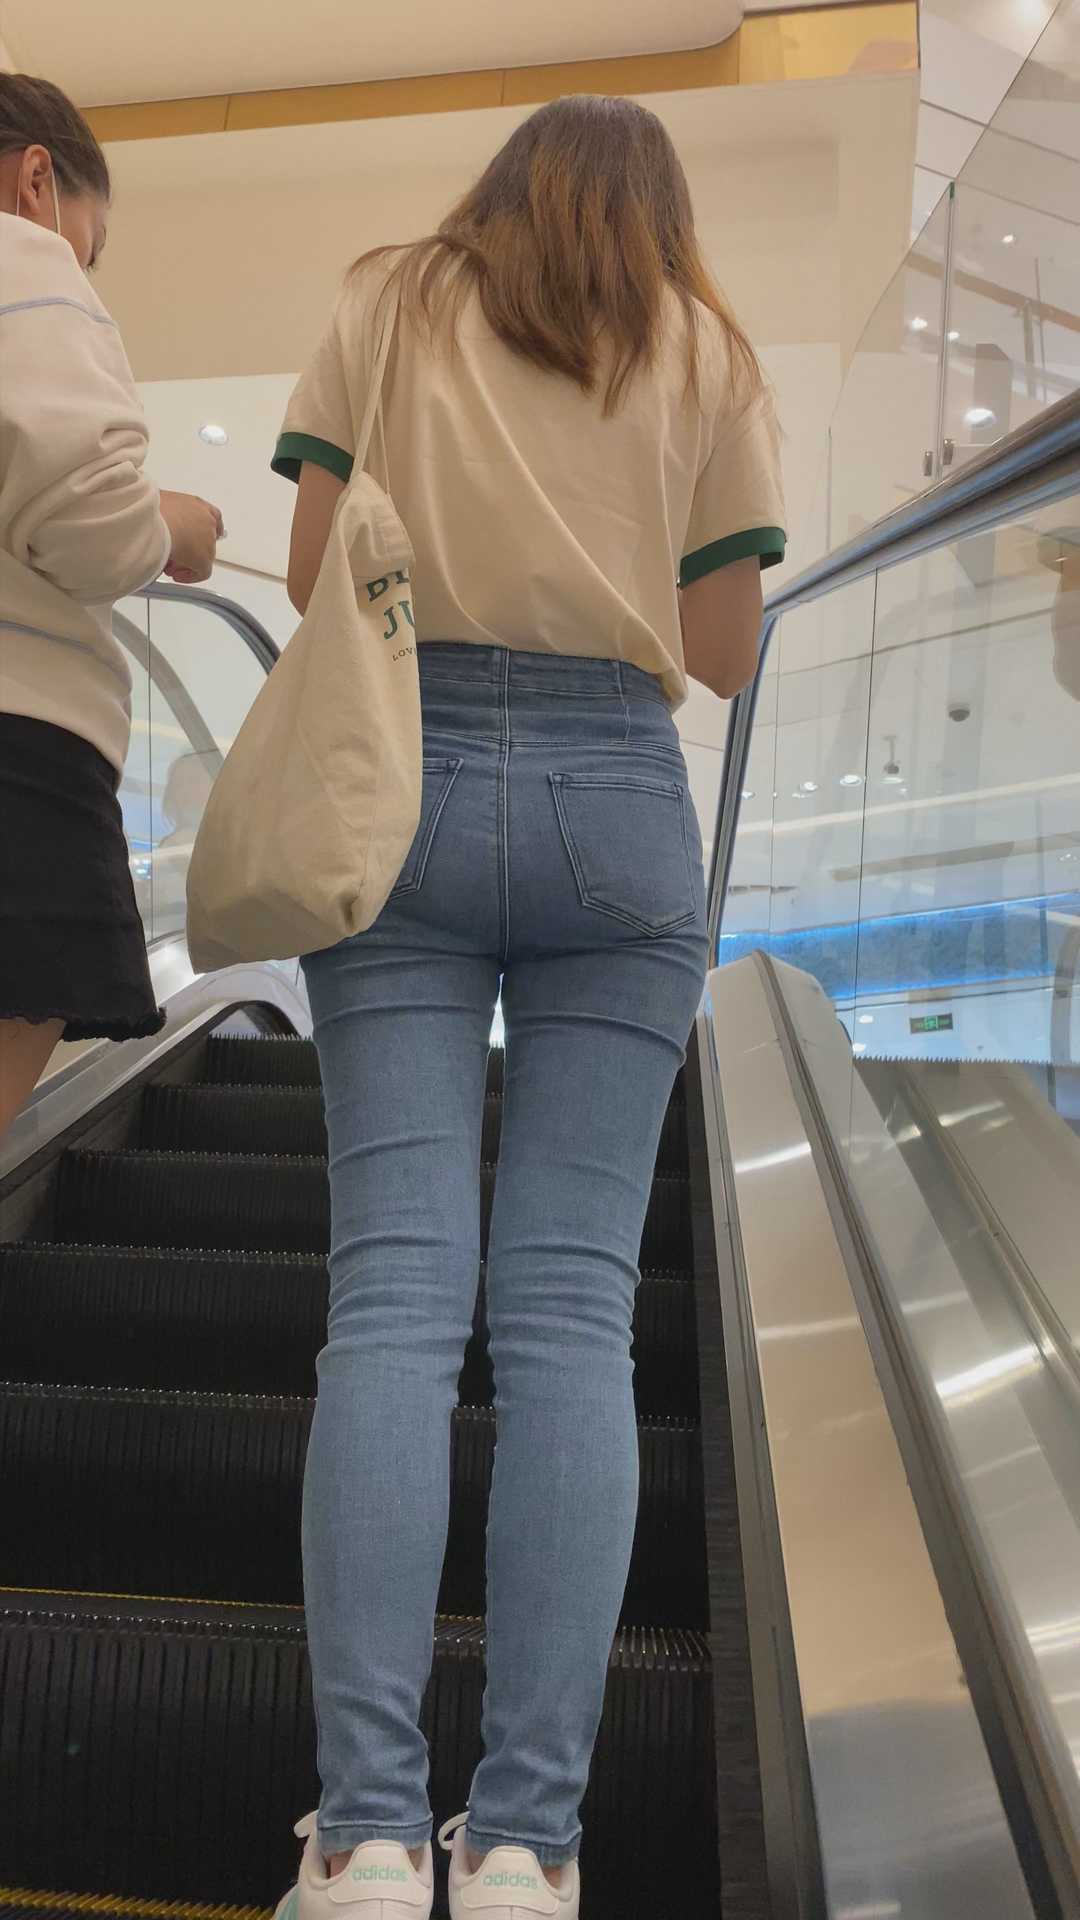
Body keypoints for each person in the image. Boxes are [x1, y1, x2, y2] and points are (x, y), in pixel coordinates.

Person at [273, 93, 785, 1920]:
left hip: (399, 780)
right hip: (615, 801)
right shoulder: (706, 348)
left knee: (394, 1303)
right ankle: (524, 1853)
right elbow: (722, 649)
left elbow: (310, 569)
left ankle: (365, 1840)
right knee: (570, 1320)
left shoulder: (388, 297)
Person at [0, 74, 223, 1134]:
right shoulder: (20, 255)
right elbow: (87, 519)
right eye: (89, 245)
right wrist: (171, 526)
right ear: (36, 179)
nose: (80, 266)